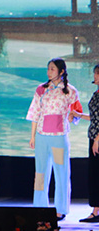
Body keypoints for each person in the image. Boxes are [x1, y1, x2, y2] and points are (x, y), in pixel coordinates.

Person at [27, 58, 81, 221]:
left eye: (52, 69)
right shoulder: (41, 89)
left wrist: (73, 117)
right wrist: (32, 136)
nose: (49, 72)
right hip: (42, 137)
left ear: (61, 71)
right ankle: (40, 208)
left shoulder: (70, 91)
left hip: (59, 137)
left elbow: (77, 113)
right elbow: (35, 113)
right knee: (41, 174)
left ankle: (61, 209)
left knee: (61, 173)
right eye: (48, 69)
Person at [70, 64, 99, 223]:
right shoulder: (96, 93)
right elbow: (95, 117)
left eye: (97, 73)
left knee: (96, 174)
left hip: (97, 139)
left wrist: (97, 139)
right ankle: (96, 210)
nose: (95, 76)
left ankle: (96, 211)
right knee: (94, 174)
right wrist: (79, 115)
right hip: (93, 136)